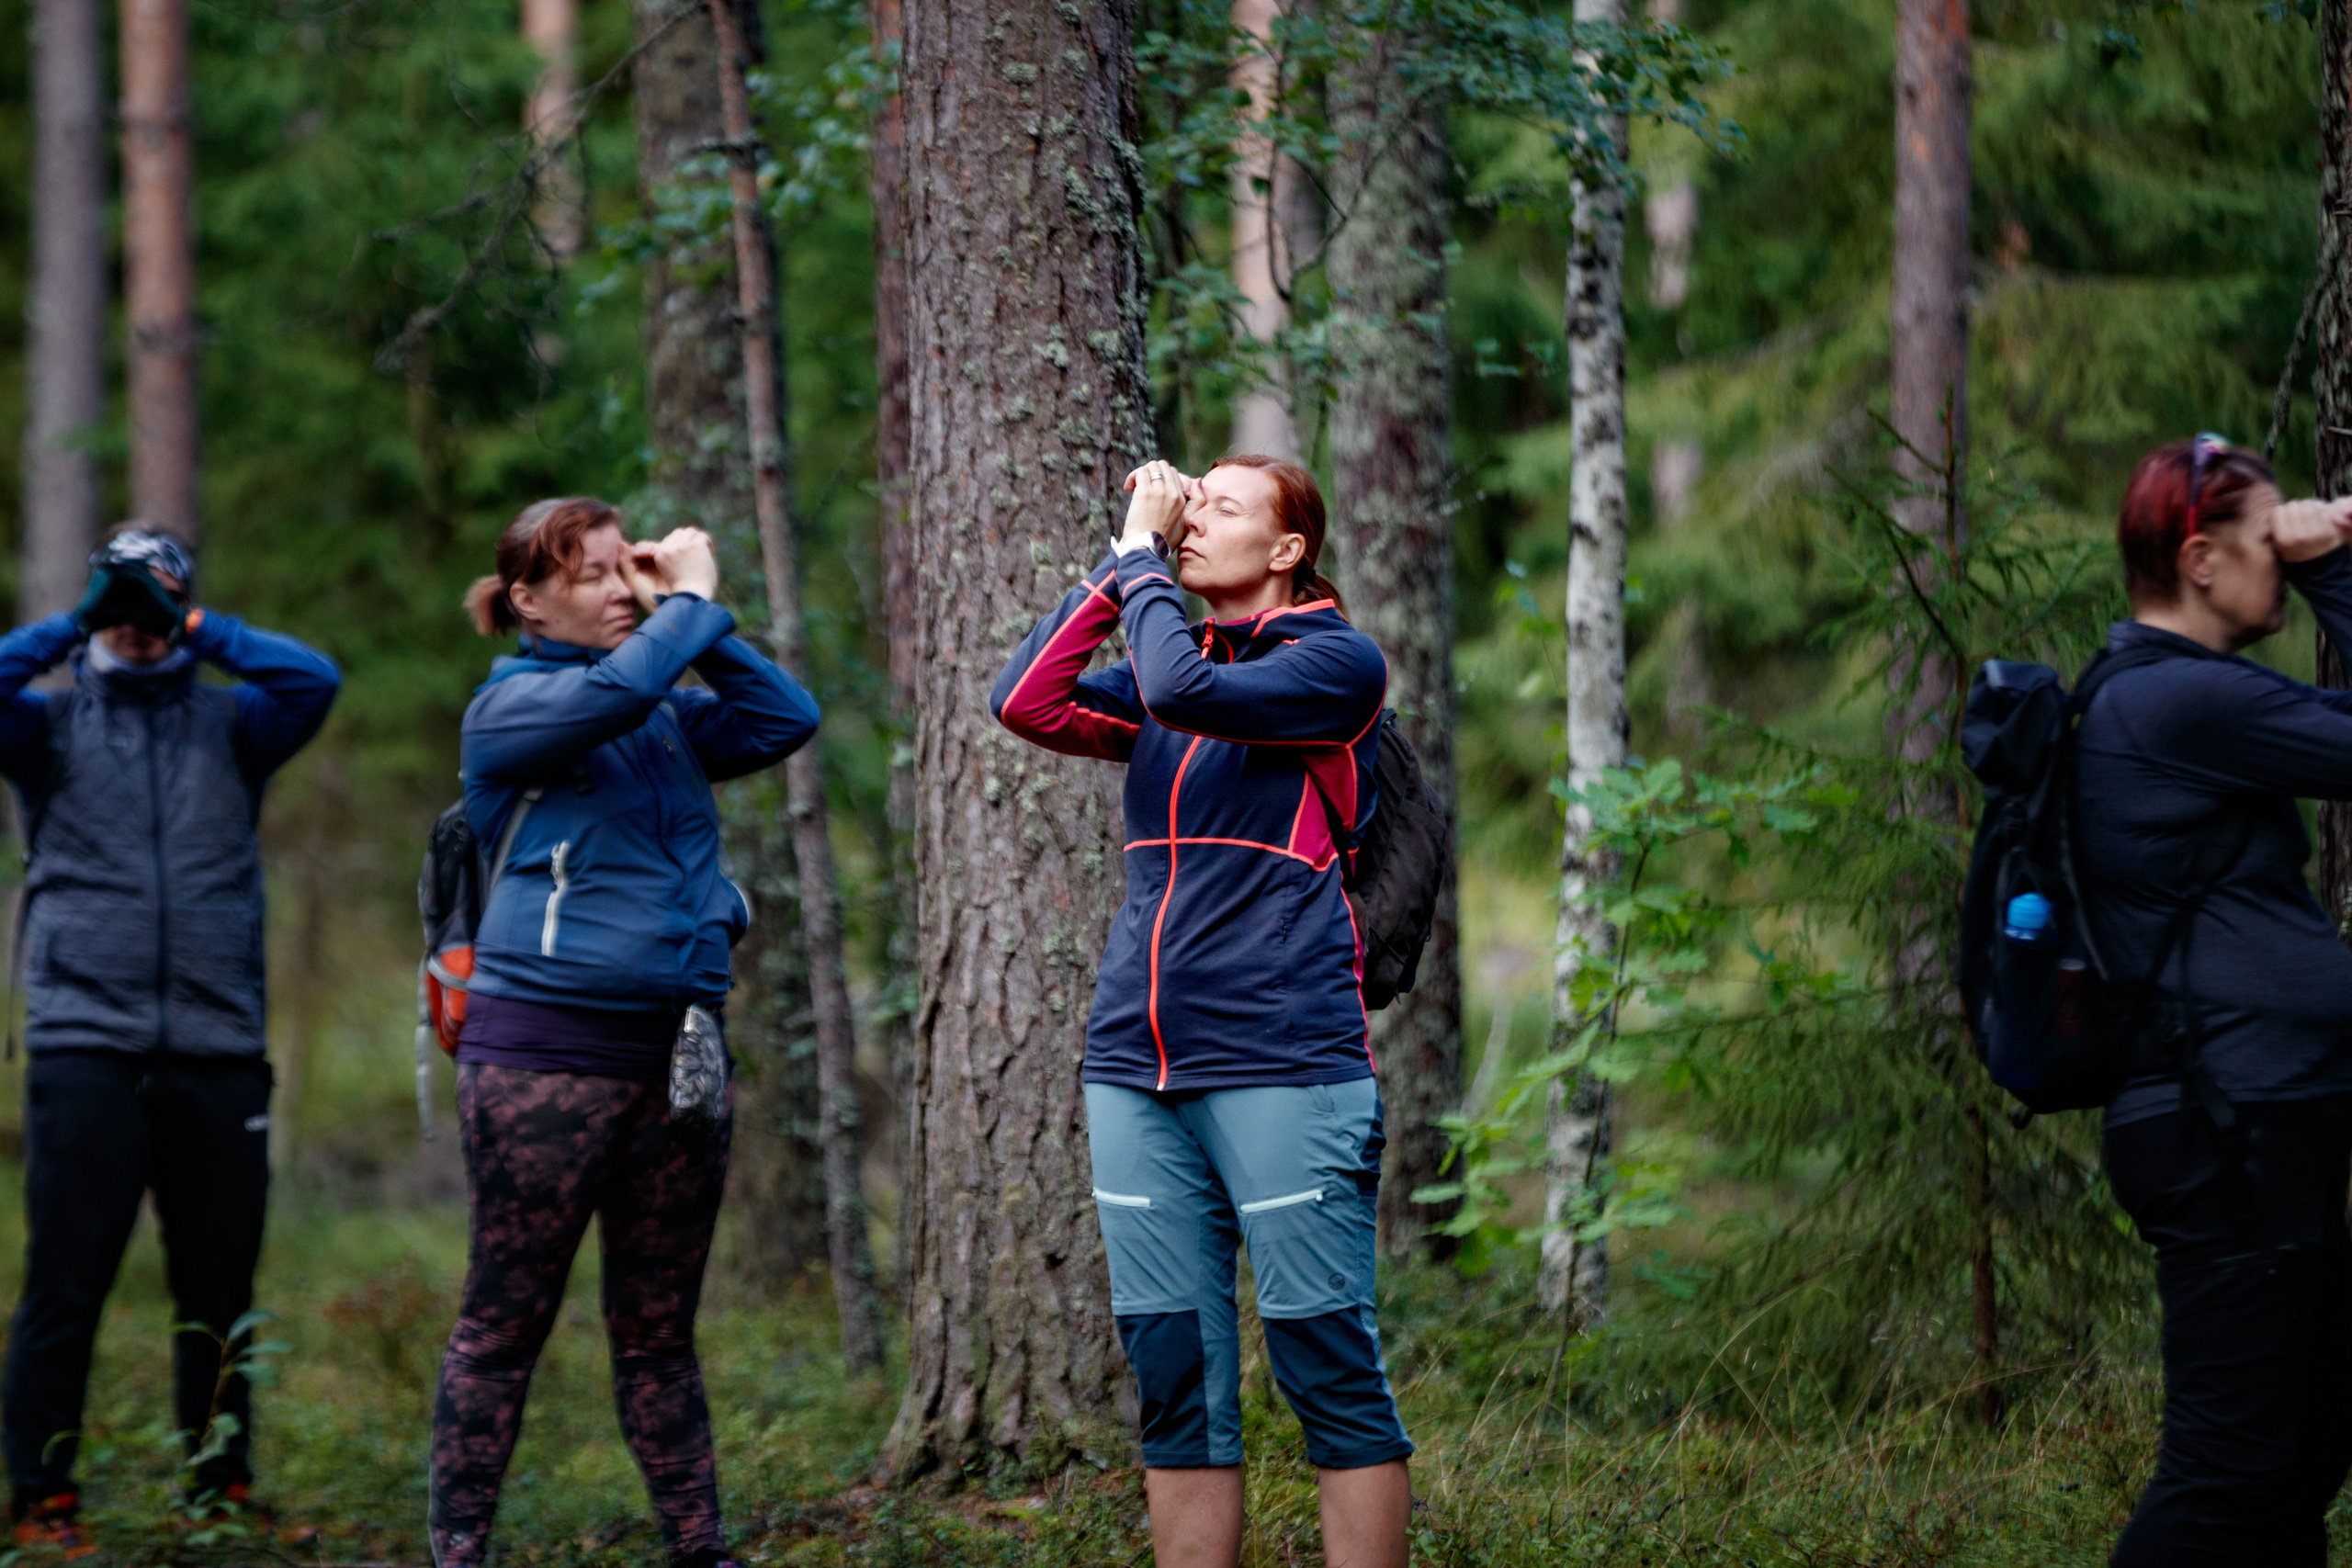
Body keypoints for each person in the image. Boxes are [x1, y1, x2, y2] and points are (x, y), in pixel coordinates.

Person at [991, 456, 1413, 1568]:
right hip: (1136, 1064)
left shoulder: (1331, 665)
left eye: (1220, 507)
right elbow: (1023, 698)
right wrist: (1120, 566)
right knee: (1175, 1377)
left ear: (1286, 551)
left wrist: (1140, 564)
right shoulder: (1172, 660)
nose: (1188, 521)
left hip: (1283, 1057)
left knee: (1325, 1365)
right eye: (1190, 503)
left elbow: (1183, 691)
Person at [428, 498, 818, 1568]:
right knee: (503, 1325)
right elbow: (619, 687)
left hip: (675, 1057)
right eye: (591, 575)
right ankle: (457, 1550)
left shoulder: (659, 716)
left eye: (623, 572)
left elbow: (785, 718)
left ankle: (701, 1552)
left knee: (657, 1335)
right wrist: (685, 601)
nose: (615, 590)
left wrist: (692, 611)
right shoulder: (508, 710)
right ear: (526, 600)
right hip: (541, 1055)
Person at [0, 526, 340, 1553]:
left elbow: (317, 679)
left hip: (215, 1044)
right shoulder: (46, 728)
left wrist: (194, 624)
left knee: (218, 1287)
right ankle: (43, 1499)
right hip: (84, 1045)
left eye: (157, 606)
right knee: (65, 1284)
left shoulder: (237, 721)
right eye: (124, 603)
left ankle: (219, 1487)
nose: (138, 627)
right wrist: (78, 619)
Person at [2078, 437, 2352, 1565]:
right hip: (2222, 1127)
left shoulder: (2163, 695)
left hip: (2252, 1119)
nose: (2277, 563)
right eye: (2261, 541)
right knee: (2228, 1469)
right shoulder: (2176, 699)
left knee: (2297, 1453)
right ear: (2198, 560)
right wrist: (2337, 572)